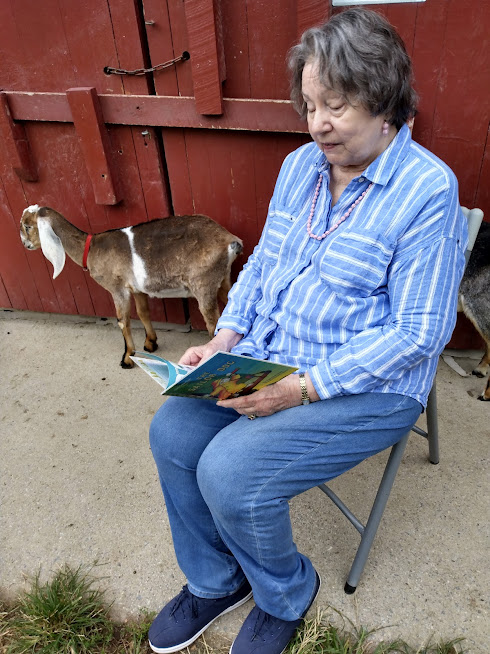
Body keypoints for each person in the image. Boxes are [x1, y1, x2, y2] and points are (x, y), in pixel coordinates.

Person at [147, 8, 467, 654]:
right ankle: (215, 581)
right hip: (269, 356)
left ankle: (285, 591)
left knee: (231, 474)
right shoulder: (301, 166)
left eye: (336, 106)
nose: (317, 123)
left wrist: (299, 389)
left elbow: (419, 333)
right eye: (311, 105)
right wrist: (226, 339)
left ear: (384, 102)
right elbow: (264, 263)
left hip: (365, 387)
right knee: (172, 434)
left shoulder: (427, 190)